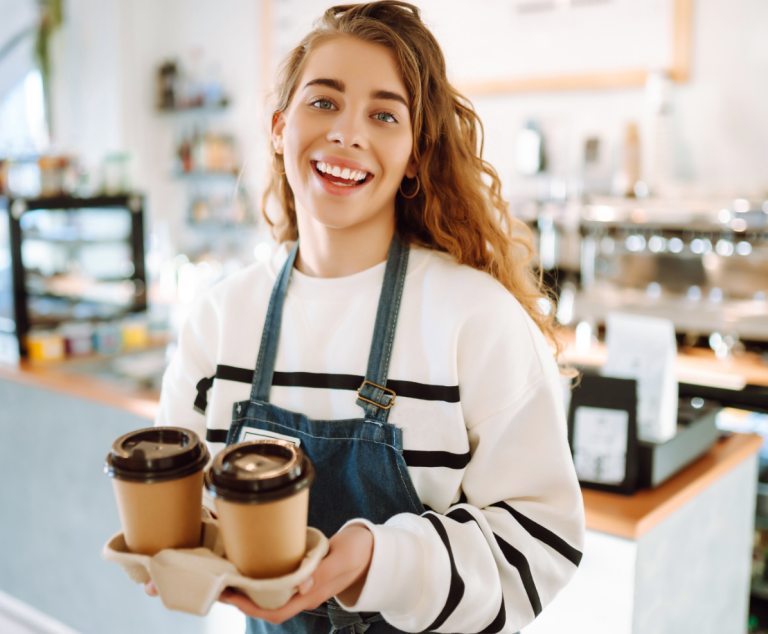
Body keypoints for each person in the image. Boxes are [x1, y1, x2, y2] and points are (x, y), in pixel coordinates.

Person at [151, 2, 585, 632]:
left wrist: (376, 561)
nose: (347, 133)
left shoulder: (475, 320)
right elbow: (181, 505)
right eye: (323, 102)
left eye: (384, 115)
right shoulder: (220, 319)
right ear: (279, 128)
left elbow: (541, 544)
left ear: (414, 154)